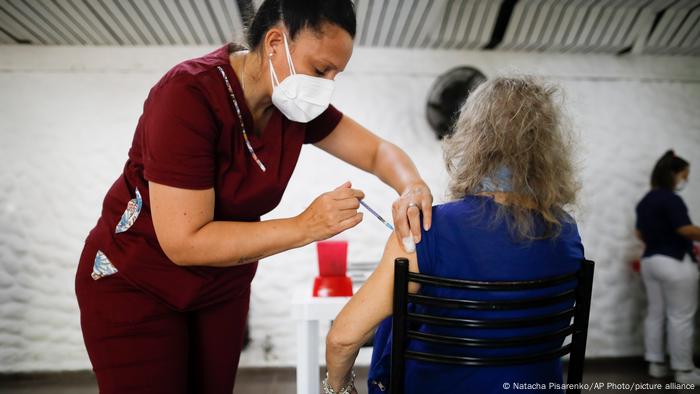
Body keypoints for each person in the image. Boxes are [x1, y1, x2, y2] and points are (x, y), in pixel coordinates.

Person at [74, 1, 434, 392]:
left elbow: (378, 152)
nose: (327, 85)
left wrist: (412, 185)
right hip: (137, 281)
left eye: (336, 74)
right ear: (276, 42)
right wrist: (306, 226)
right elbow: (184, 241)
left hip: (220, 286)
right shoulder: (188, 94)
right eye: (320, 69)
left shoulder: (293, 108)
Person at [325, 76, 584, 394]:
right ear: (550, 148)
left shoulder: (426, 228)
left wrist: (338, 388)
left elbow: (343, 337)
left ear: (473, 141)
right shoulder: (567, 232)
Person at [636, 150, 700, 384]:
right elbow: (685, 229)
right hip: (675, 262)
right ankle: (684, 371)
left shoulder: (646, 200)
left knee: (656, 313)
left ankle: (656, 364)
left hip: (650, 262)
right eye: (685, 174)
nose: (686, 179)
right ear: (674, 174)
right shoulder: (672, 199)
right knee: (681, 316)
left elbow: (639, 233)